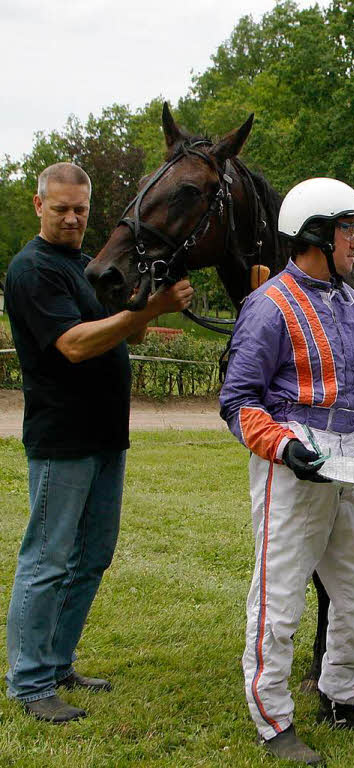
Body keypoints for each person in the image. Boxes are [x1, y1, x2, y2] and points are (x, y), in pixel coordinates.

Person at [4, 162, 193, 722]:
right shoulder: (33, 269)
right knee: (47, 559)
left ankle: (58, 662)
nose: (70, 218)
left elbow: (122, 328)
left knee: (91, 557)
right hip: (63, 438)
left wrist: (150, 302)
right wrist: (151, 308)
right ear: (38, 206)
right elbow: (75, 345)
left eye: (80, 209)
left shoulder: (87, 268)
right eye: (60, 208)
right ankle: (30, 680)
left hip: (106, 435)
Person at [219, 178, 354, 766]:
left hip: (348, 450)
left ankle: (340, 696)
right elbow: (238, 400)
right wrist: (284, 447)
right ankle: (274, 721)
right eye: (350, 230)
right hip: (294, 451)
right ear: (317, 232)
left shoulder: (350, 301)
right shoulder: (267, 304)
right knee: (280, 596)